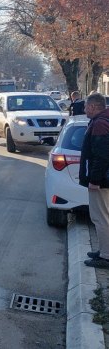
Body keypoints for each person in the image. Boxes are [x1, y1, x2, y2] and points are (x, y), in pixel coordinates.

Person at [80, 94, 109, 269]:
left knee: (100, 218)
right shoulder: (103, 120)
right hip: (104, 179)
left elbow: (101, 155)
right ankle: (104, 250)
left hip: (102, 181)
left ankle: (105, 256)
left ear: (92, 107)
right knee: (104, 216)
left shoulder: (100, 124)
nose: (84, 110)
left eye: (86, 106)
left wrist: (95, 180)